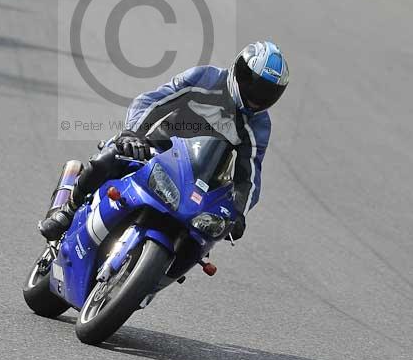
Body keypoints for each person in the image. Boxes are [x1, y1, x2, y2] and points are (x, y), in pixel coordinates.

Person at [39, 40, 289, 242]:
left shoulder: (258, 125)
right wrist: (132, 133)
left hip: (200, 180)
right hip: (158, 147)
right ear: (239, 70)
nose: (257, 97)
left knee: (206, 234)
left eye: (268, 92)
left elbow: (250, 175)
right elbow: (151, 101)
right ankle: (68, 211)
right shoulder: (205, 79)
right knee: (109, 157)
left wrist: (239, 213)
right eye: (253, 84)